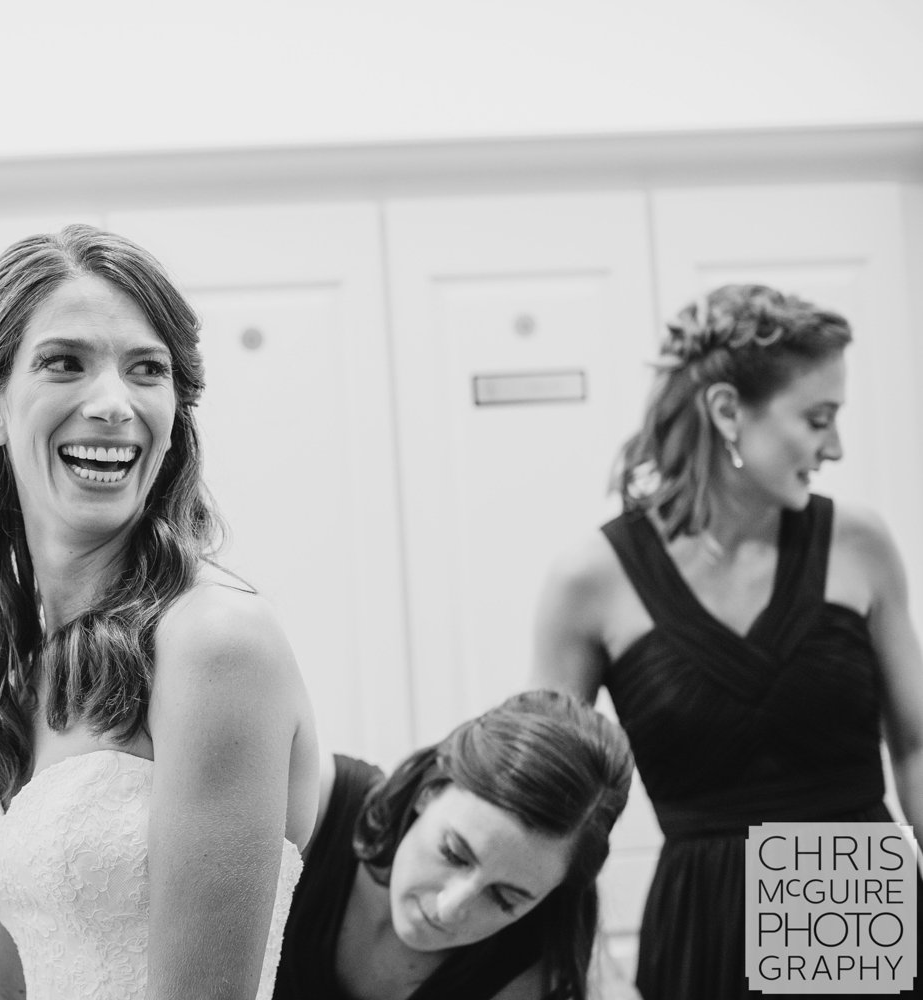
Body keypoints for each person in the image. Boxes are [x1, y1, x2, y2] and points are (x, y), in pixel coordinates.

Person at [0, 224, 320, 1000]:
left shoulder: (215, 646)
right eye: (65, 363)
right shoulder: (25, 656)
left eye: (146, 370)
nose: (114, 404)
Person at [531, 284, 923, 999]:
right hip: (701, 910)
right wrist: (576, 964)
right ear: (726, 411)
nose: (834, 445)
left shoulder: (856, 543)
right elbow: (550, 800)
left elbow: (917, 747)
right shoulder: (591, 578)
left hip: (842, 883)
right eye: (817, 419)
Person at [275, 689, 634, 1000]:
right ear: (430, 790)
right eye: (453, 853)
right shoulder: (312, 805)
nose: (449, 909)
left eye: (505, 898)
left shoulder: (528, 973)